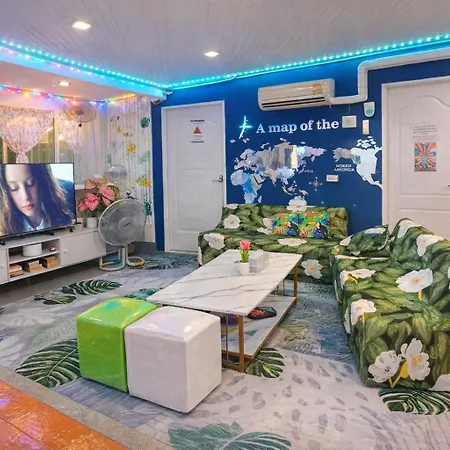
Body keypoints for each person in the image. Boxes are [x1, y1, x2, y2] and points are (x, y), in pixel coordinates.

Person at [0, 164, 75, 237]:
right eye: (14, 188)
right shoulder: (4, 229)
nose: (25, 197)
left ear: (41, 181)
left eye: (30, 183)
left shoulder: (66, 208)